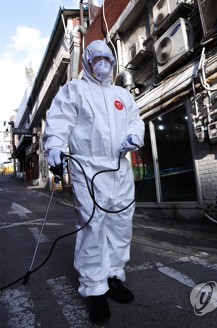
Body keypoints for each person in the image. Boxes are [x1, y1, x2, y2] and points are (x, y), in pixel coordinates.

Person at [43, 40, 145, 323]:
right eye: (96, 57)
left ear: (113, 62)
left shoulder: (122, 95)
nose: (102, 62)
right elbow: (59, 120)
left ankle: (113, 276)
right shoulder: (74, 90)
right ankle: (94, 289)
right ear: (87, 62)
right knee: (93, 226)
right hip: (87, 167)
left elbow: (136, 120)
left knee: (121, 224)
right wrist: (55, 145)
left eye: (107, 58)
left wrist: (135, 136)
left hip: (119, 168)